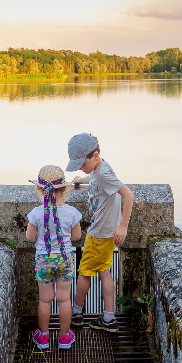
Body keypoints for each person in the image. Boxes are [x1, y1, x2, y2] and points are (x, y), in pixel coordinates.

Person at [65, 133, 134, 333]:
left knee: (84, 272)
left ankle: (76, 314)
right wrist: (82, 178)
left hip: (99, 234)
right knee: (104, 271)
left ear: (95, 156)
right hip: (104, 233)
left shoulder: (103, 173)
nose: (80, 167)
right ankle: (109, 317)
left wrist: (124, 226)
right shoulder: (99, 168)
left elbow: (128, 195)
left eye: (82, 164)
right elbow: (95, 177)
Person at [26, 165, 83, 350]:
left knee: (45, 300)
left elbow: (29, 237)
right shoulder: (72, 212)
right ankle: (64, 338)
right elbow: (76, 237)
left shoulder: (36, 213)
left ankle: (43, 338)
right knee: (64, 299)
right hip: (64, 259)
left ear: (40, 189)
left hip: (44, 259)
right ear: (64, 189)